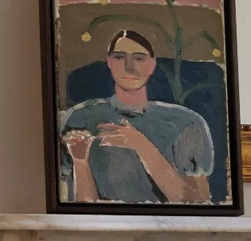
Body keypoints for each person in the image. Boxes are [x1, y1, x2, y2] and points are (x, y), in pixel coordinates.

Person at [61, 26, 216, 205]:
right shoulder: (80, 119)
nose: (129, 67)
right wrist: (80, 161)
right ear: (109, 62)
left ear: (152, 65)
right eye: (119, 57)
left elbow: (198, 206)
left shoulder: (186, 122)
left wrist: (142, 146)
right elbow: (83, 211)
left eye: (139, 59)